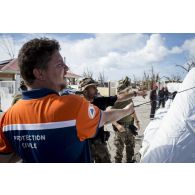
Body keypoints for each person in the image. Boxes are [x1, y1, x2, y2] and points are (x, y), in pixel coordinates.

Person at [0, 38, 135, 163]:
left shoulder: (8, 118)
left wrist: (31, 147)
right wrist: (127, 110)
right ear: (39, 73)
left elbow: (5, 159)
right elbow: (106, 117)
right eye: (60, 64)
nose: (67, 68)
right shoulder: (73, 105)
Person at [79, 76, 147, 163]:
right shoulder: (77, 105)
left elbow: (119, 98)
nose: (96, 90)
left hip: (100, 144)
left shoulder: (99, 101)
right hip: (84, 145)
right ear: (85, 90)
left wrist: (137, 93)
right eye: (93, 87)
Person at [112, 78, 141, 163]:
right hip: (120, 129)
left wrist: (137, 121)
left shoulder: (129, 99)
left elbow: (132, 110)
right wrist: (117, 125)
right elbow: (109, 117)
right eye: (125, 90)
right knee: (119, 152)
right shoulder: (115, 101)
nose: (127, 92)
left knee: (130, 149)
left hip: (130, 128)